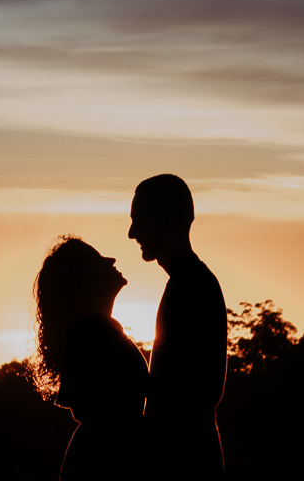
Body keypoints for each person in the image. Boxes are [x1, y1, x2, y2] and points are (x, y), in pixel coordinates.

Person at [128, 174, 227, 479]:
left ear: (165, 219)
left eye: (139, 220)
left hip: (184, 464)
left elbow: (187, 396)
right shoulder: (190, 283)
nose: (132, 233)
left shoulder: (191, 287)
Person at [33, 236, 149, 481]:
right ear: (88, 281)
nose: (111, 260)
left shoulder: (96, 331)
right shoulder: (91, 335)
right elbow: (102, 412)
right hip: (102, 465)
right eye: (99, 261)